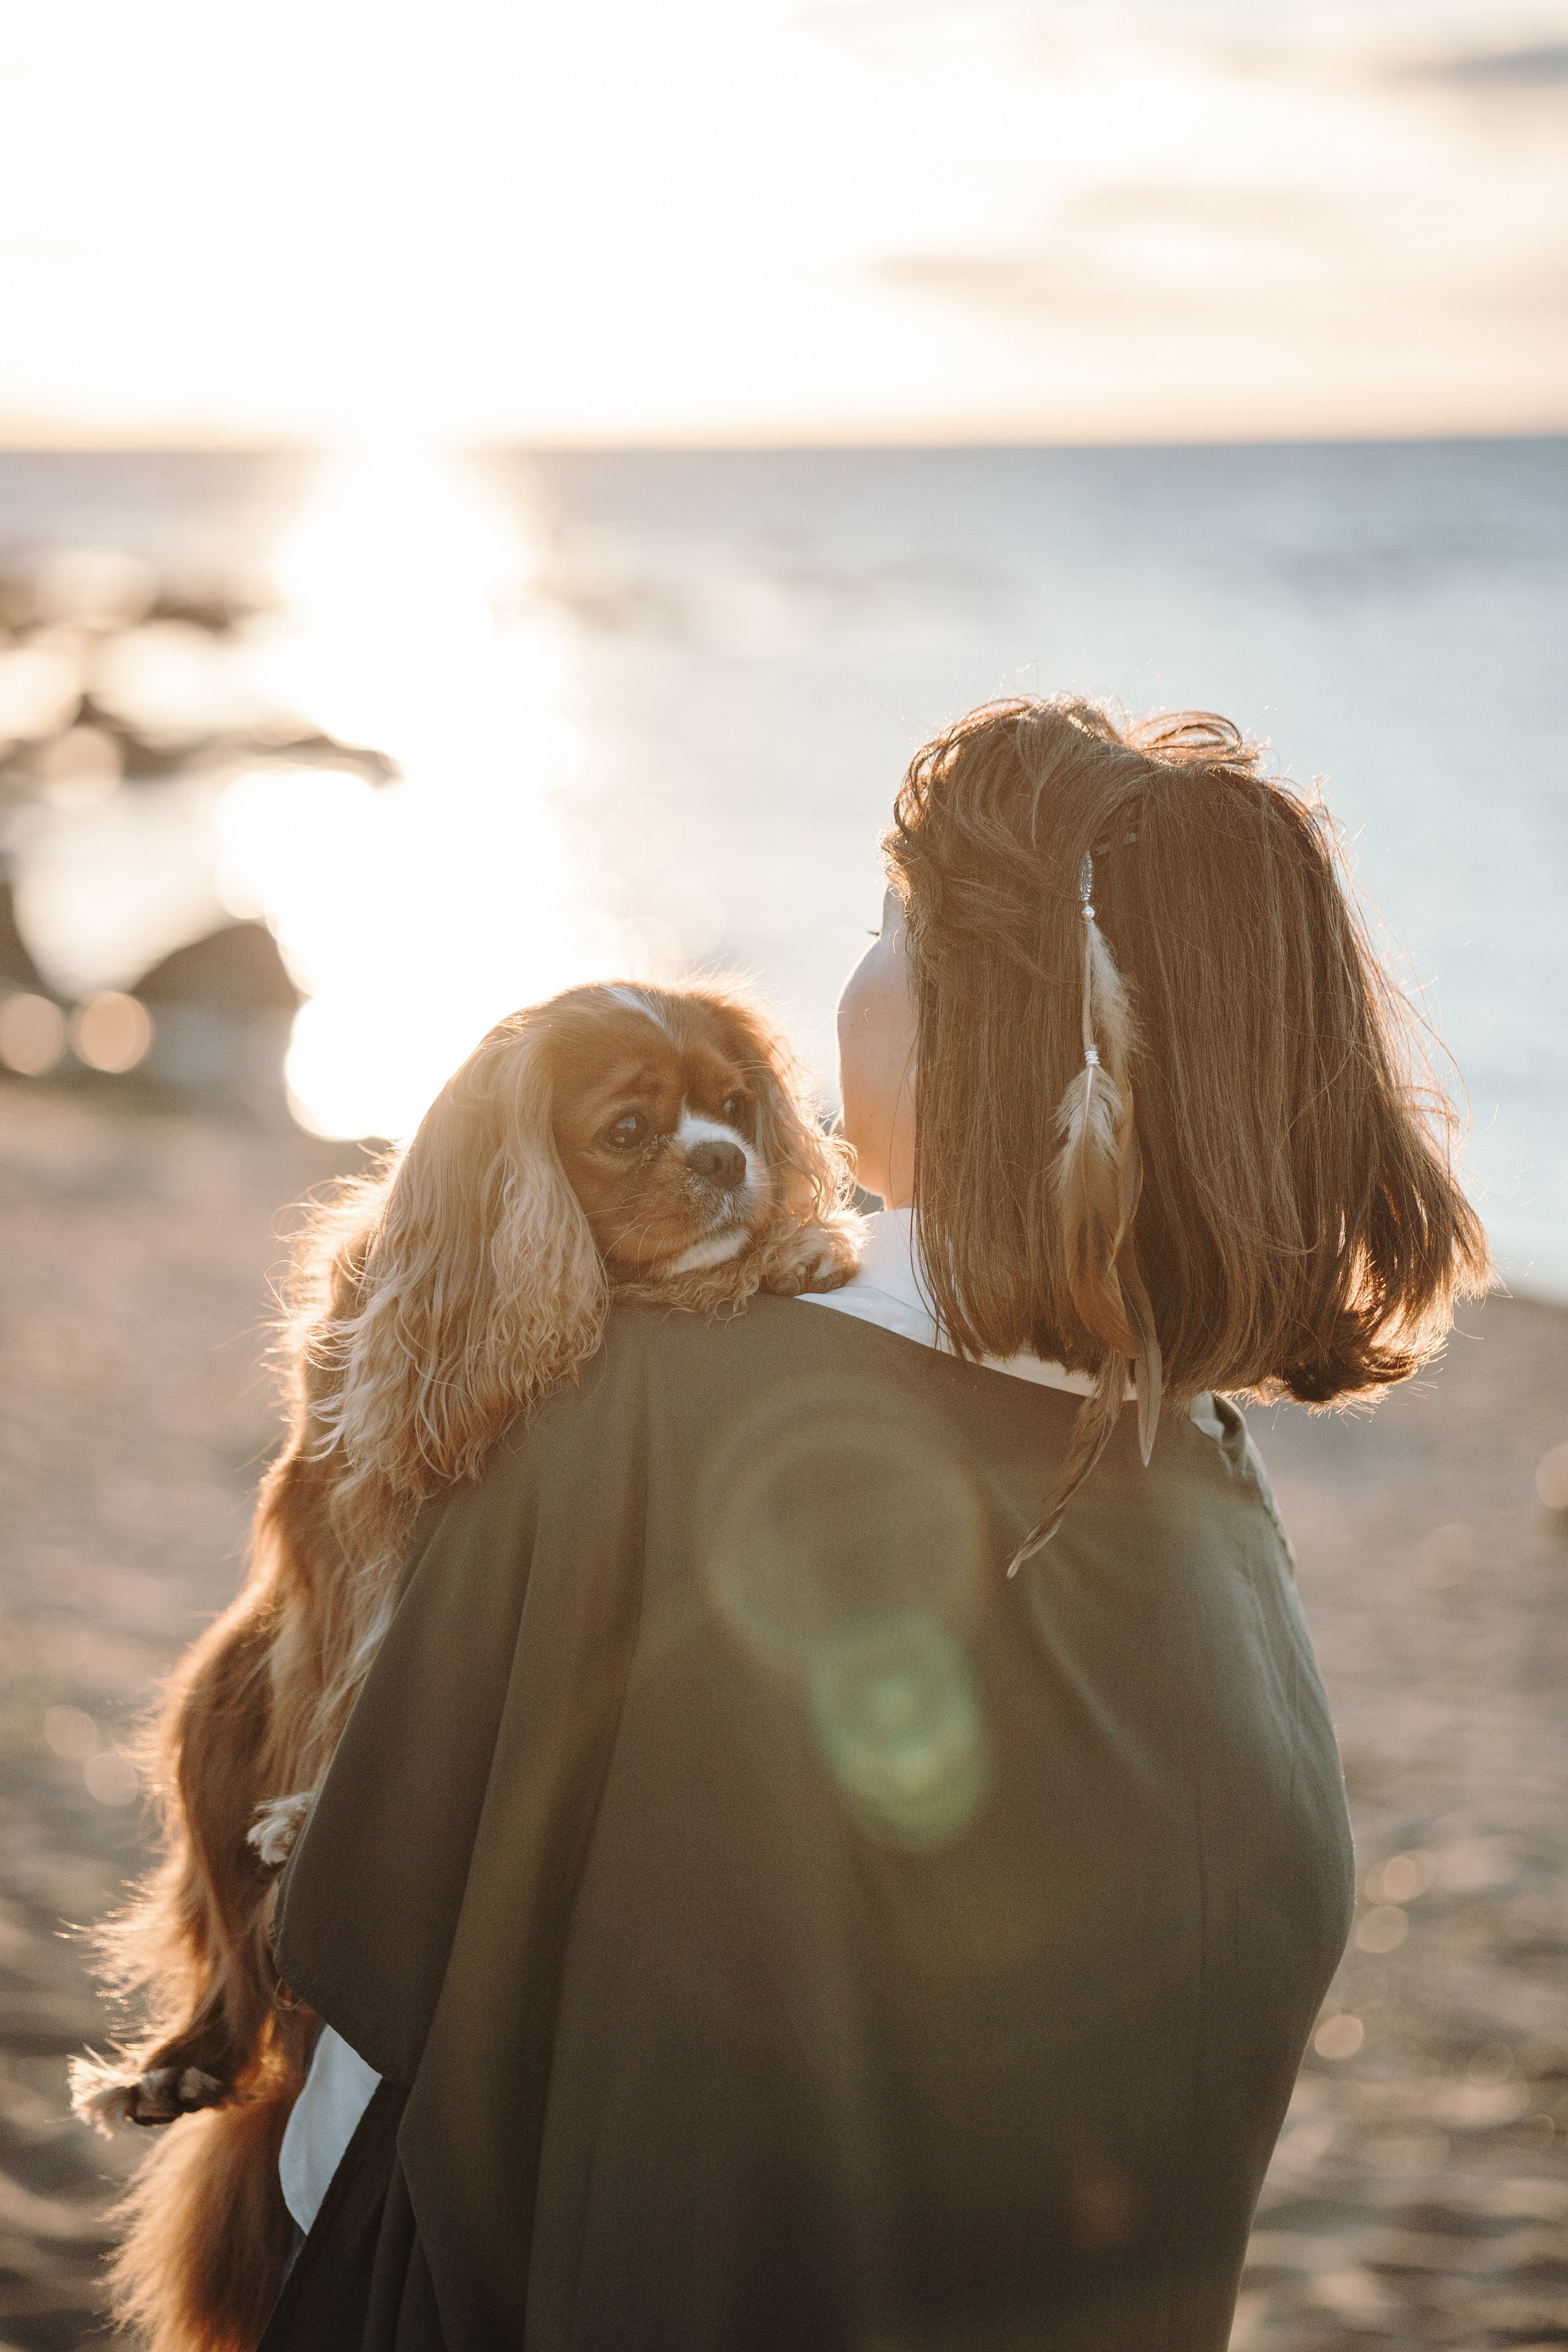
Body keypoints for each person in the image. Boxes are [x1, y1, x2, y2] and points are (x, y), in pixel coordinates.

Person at [260, 697, 1488, 2351]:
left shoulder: (630, 1422)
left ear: (978, 1032)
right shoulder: (1224, 1543)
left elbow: (357, 2073)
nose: (847, 990)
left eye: (882, 933)